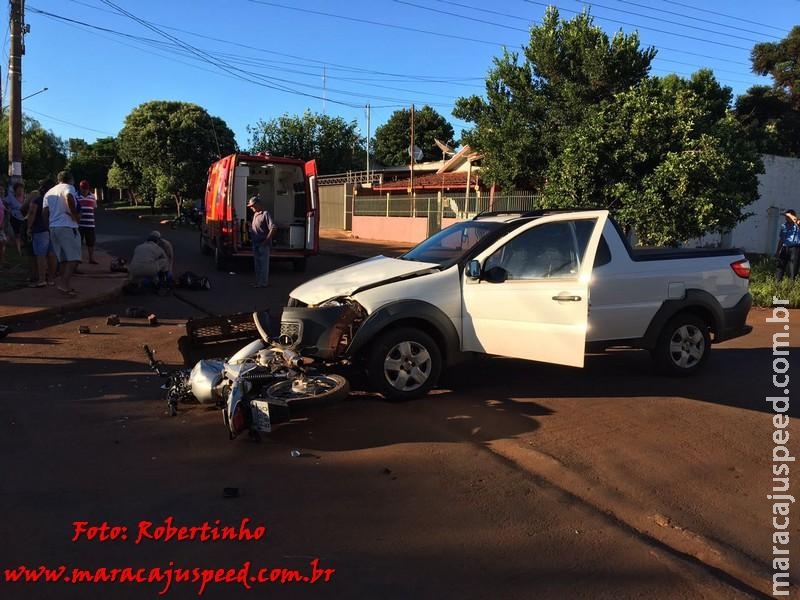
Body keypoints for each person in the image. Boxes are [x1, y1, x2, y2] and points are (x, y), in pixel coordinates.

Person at [43, 170, 81, 296]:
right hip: (67, 227)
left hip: (54, 228)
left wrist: (49, 225)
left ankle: (64, 285)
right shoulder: (69, 187)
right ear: (70, 179)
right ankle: (64, 284)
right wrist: (75, 215)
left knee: (64, 260)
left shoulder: (49, 192)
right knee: (74, 259)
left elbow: (45, 211)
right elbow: (69, 196)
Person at [25, 178, 57, 287]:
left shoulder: (38, 200)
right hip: (53, 229)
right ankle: (51, 279)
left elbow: (32, 213)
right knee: (52, 254)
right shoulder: (55, 200)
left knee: (41, 255)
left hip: (40, 230)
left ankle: (42, 280)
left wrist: (28, 228)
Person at [247, 195, 276, 288]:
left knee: (263, 265)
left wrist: (267, 240)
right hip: (255, 243)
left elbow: (273, 228)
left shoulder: (265, 214)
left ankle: (263, 283)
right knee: (257, 264)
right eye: (250, 206)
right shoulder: (255, 215)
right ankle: (258, 282)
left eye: (253, 205)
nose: (251, 208)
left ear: (258, 204)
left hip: (263, 243)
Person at [775, 209, 800, 283]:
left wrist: (791, 216)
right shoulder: (784, 225)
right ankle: (777, 285)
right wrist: (778, 251)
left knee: (793, 269)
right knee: (780, 267)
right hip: (785, 247)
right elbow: (781, 239)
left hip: (795, 249)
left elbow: (797, 221)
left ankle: (791, 287)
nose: (786, 218)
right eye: (786, 217)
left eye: (787, 216)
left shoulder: (797, 224)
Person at [77, 179, 98, 264]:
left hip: (90, 223)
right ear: (80, 188)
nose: (85, 190)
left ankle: (91, 258)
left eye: (86, 189)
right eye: (83, 189)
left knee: (91, 242)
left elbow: (94, 208)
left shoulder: (92, 196)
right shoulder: (76, 196)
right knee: (78, 242)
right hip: (79, 223)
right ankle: (78, 259)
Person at [4, 181, 27, 256]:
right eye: (18, 189)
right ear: (15, 190)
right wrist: (7, 209)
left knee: (24, 234)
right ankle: (19, 251)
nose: (20, 190)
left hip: (24, 218)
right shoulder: (11, 197)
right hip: (14, 218)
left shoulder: (26, 197)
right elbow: (3, 203)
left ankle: (23, 247)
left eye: (21, 189)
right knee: (17, 234)